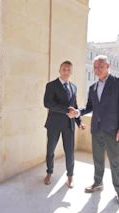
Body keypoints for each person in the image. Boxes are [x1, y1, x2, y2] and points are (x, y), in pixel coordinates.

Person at [71, 55, 119, 206]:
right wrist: (77, 113)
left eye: (100, 66)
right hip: (96, 130)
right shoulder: (93, 87)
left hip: (113, 130)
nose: (97, 69)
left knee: (115, 162)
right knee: (98, 159)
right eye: (95, 67)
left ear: (108, 66)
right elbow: (90, 107)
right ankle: (98, 183)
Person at [43, 60, 85, 188]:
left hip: (69, 125)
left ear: (71, 72)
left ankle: (70, 177)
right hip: (54, 124)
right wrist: (67, 111)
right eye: (64, 69)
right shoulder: (51, 85)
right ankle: (49, 172)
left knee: (69, 152)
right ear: (60, 70)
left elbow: (75, 107)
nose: (66, 72)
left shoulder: (74, 87)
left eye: (68, 70)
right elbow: (48, 104)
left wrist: (79, 122)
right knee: (50, 150)